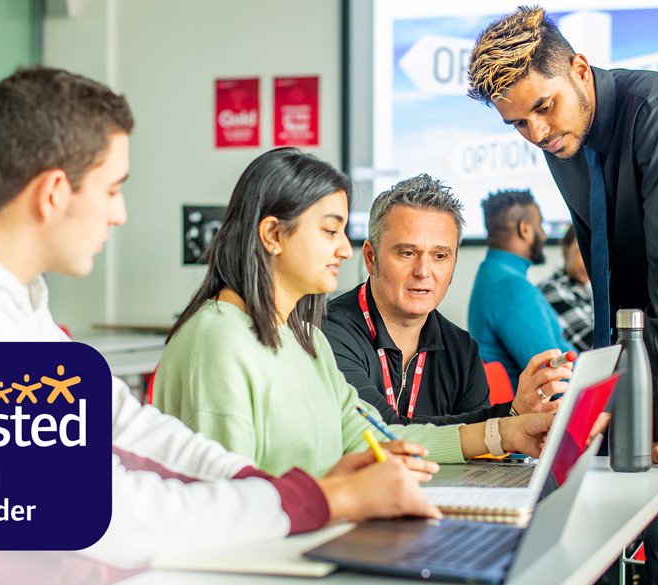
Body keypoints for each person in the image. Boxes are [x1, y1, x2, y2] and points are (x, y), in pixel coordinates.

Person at [0, 67, 439, 585]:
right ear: (53, 193)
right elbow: (103, 512)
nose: (119, 212)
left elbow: (129, 428)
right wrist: (316, 500)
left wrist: (275, 490)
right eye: (113, 189)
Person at [468, 7, 658, 584]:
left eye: (543, 107)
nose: (536, 133)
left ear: (580, 71)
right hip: (649, 333)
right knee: (593, 514)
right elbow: (607, 273)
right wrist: (609, 387)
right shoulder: (564, 142)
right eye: (517, 124)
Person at [153, 148, 560, 478]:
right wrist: (342, 495)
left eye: (440, 256)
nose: (343, 250)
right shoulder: (220, 339)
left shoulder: (303, 340)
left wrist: (507, 430)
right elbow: (226, 504)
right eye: (331, 231)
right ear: (274, 235)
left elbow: (373, 435)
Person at [322, 174, 571, 427]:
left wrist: (509, 424)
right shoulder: (328, 331)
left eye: (440, 256)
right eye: (407, 253)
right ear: (371, 257)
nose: (423, 271)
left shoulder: (462, 349)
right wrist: (507, 421)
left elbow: (482, 452)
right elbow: (383, 432)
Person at [468, 189, 576, 390]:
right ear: (525, 230)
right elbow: (553, 376)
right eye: (540, 226)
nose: (543, 234)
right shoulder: (511, 287)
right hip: (539, 415)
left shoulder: (489, 275)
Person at [539, 225, 594, 352]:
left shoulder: (586, 293)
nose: (589, 260)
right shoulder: (552, 290)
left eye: (595, 253)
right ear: (565, 250)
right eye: (582, 251)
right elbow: (591, 343)